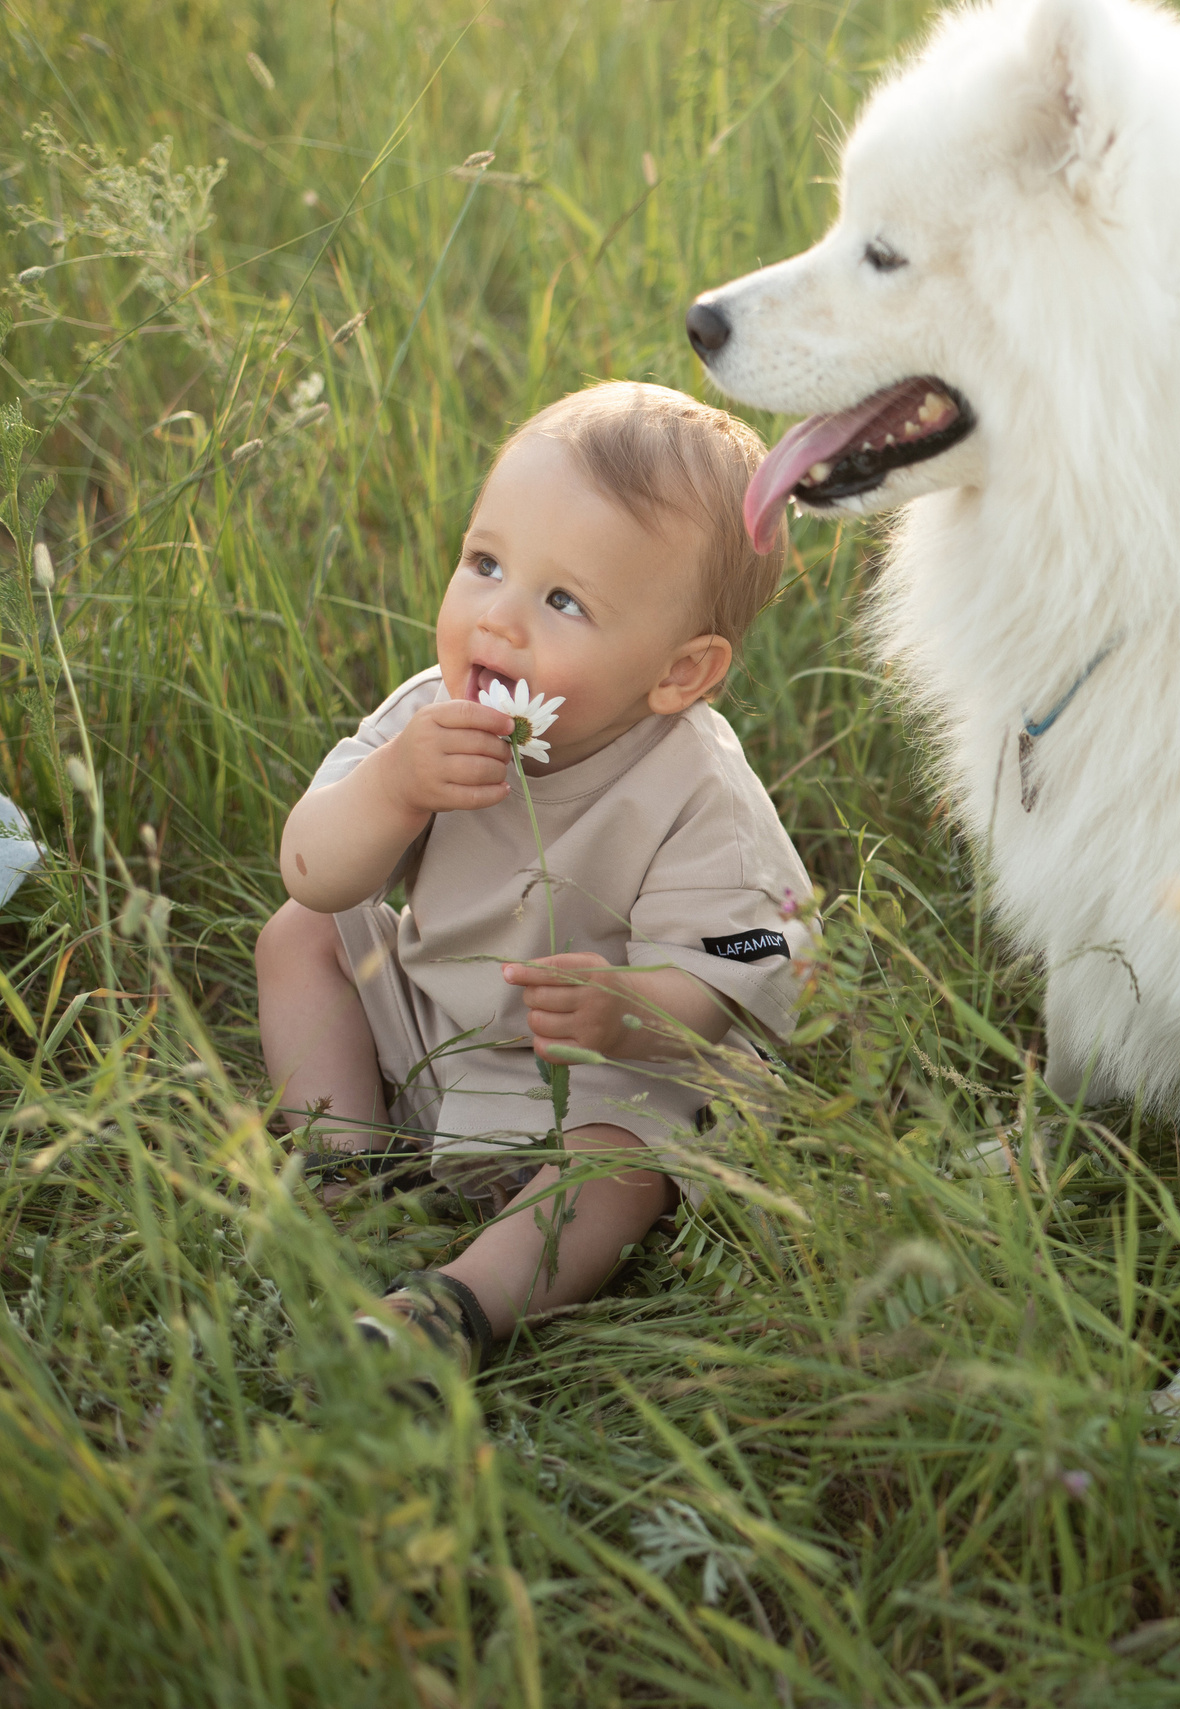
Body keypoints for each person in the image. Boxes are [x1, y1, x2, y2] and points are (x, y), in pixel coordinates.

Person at [255, 380, 812, 1386]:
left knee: (625, 1160)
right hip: (434, 1025)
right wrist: (392, 788)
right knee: (299, 934)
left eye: (562, 600)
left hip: (588, 1083)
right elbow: (311, 866)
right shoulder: (430, 718)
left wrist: (632, 1009)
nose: (496, 621)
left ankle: (458, 1303)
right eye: (484, 563)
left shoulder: (693, 788)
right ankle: (346, 1171)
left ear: (680, 672)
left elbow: (753, 952)